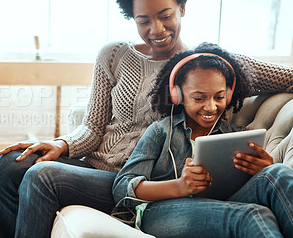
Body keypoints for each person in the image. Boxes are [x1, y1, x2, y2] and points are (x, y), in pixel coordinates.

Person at [0, 0, 293, 237]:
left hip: (146, 180)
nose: (156, 29)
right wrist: (61, 143)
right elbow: (93, 127)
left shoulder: (204, 69)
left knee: (43, 177)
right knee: (5, 168)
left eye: (165, 15)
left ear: (182, 8)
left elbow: (286, 78)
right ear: (131, 17)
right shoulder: (114, 55)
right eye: (143, 20)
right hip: (95, 170)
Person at [112, 42, 293, 237]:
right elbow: (121, 187)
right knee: (253, 214)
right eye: (199, 98)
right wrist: (180, 186)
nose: (211, 107)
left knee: (278, 172)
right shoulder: (160, 132)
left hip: (223, 206)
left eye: (219, 97)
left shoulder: (237, 136)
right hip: (161, 212)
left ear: (229, 94)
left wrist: (264, 168)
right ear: (178, 95)